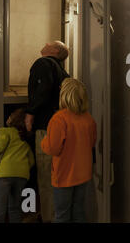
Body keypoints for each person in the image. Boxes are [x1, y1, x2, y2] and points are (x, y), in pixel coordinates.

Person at [41, 78, 97, 223]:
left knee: (62, 215)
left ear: (64, 95)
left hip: (64, 175)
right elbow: (91, 144)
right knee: (79, 212)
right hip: (83, 175)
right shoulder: (89, 119)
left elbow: (53, 148)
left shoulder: (59, 119)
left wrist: (43, 142)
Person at [25, 41, 69, 222]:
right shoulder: (63, 72)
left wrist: (30, 112)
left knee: (45, 175)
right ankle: (58, 214)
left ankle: (48, 217)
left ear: (55, 51)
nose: (45, 43)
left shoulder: (43, 63)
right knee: (57, 175)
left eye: (50, 43)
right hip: (61, 128)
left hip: (45, 128)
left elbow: (42, 90)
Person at [0, 108, 35, 223]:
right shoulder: (24, 142)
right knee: (15, 209)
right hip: (21, 177)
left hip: (3, 175)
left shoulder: (5, 132)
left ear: (14, 120)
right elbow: (31, 161)